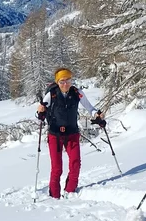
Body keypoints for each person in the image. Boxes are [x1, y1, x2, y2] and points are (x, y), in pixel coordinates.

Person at [36, 68, 104, 199]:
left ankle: (70, 192)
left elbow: (90, 108)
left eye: (68, 80)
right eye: (62, 81)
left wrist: (97, 115)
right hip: (55, 135)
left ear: (71, 80)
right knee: (57, 168)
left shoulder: (77, 93)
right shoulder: (52, 94)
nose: (65, 84)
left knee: (75, 164)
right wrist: (41, 112)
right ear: (58, 82)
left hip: (72, 133)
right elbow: (40, 111)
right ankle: (54, 197)